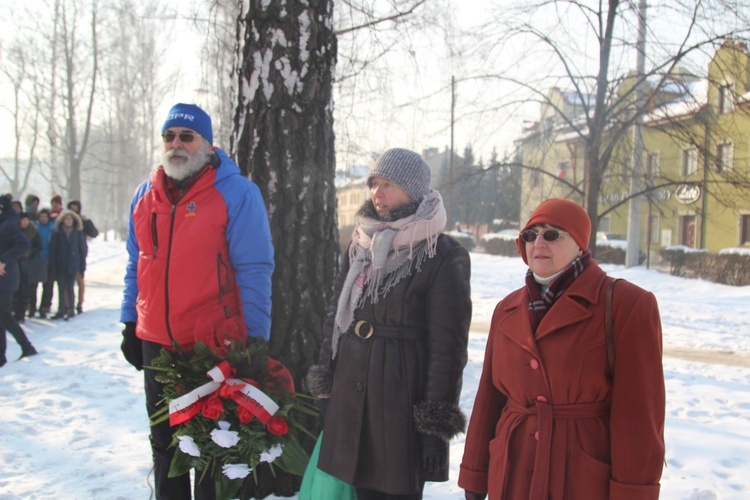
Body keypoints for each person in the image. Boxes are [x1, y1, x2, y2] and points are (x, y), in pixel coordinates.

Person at [458, 198, 665, 500]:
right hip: (513, 474)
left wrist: (633, 492)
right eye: (530, 234)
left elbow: (639, 417)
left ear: (580, 244)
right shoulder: (507, 309)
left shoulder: (626, 304)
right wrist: (475, 474)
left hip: (582, 476)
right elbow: (490, 397)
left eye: (552, 234)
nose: (538, 242)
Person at [119, 102, 274, 499]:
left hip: (210, 345)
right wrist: (128, 322)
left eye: (187, 137)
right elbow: (137, 263)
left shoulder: (237, 192)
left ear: (207, 144)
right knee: (164, 445)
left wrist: (254, 338)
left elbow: (254, 268)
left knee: (210, 448)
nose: (176, 145)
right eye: (169, 136)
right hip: (155, 342)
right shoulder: (145, 194)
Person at [306, 148, 472, 500]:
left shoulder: (441, 255)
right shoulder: (358, 244)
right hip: (350, 396)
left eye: (389, 185)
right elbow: (335, 322)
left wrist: (433, 424)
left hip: (399, 404)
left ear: (413, 190)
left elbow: (448, 348)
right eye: (374, 184)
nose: (377, 194)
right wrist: (326, 384)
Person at [0, 196, 38, 367]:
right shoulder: (5, 223)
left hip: (6, 278)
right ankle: (2, 357)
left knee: (4, 317)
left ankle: (27, 347)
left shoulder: (7, 225)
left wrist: (3, 260)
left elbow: (23, 244)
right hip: (5, 278)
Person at [49, 210, 87, 320]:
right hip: (60, 264)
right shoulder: (58, 233)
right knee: (61, 287)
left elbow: (82, 250)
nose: (69, 221)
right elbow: (53, 249)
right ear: (62, 220)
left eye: (70, 219)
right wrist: (53, 264)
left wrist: (82, 267)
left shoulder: (78, 233)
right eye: (67, 219)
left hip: (73, 264)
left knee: (70, 287)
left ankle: (71, 309)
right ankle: (61, 309)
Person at [67, 200, 98, 314]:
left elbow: (94, 233)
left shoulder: (82, 221)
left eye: (76, 208)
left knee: (80, 279)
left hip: (79, 252)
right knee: (67, 282)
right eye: (72, 208)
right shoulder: (65, 220)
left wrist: (87, 222)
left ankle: (79, 303)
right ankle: (68, 304)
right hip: (66, 253)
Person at [13, 213, 42, 322]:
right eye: (23, 220)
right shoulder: (14, 231)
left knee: (26, 290)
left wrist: (30, 252)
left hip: (29, 263)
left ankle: (22, 313)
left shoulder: (33, 231)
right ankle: (14, 312)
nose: (25, 222)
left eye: (26, 220)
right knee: (15, 289)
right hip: (15, 262)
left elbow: (38, 246)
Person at [35, 209, 55, 318]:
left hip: (49, 259)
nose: (43, 218)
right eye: (41, 216)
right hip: (36, 259)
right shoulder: (35, 227)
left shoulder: (52, 228)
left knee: (48, 285)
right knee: (34, 284)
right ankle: (32, 306)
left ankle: (45, 305)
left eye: (45, 216)